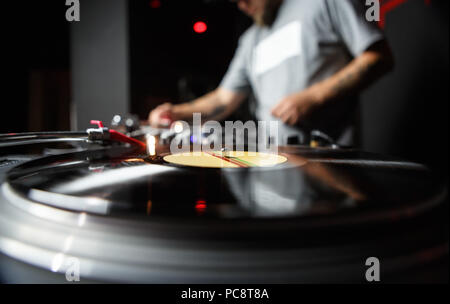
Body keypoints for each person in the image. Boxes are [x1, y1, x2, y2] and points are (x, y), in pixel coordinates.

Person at [148, 0, 394, 146]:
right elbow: (223, 100)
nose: (242, 6)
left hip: (331, 163)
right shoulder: (251, 39)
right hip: (272, 165)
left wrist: (313, 97)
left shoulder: (324, 2)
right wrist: (176, 112)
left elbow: (378, 57)